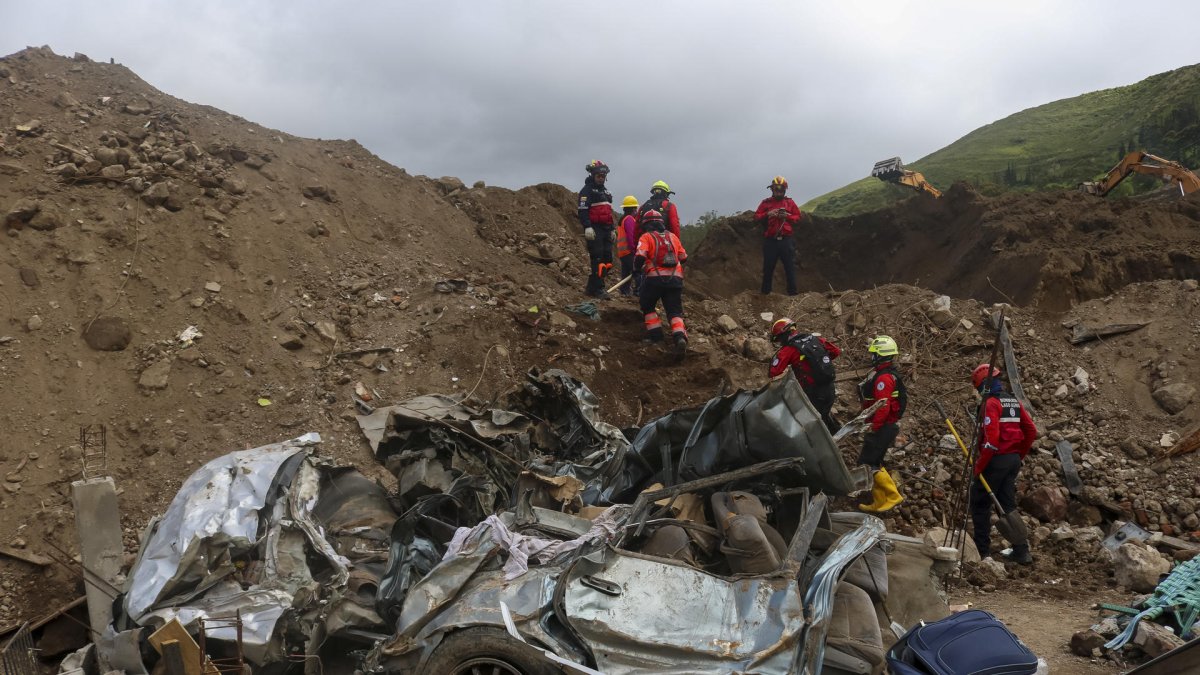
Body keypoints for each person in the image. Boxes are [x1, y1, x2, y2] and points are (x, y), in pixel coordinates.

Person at [970, 363, 1037, 564]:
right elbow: (1030, 430)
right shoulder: (1012, 401)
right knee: (1006, 504)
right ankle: (1022, 550)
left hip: (996, 460)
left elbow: (991, 442)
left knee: (980, 502)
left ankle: (982, 552)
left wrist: (978, 468)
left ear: (983, 385)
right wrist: (1018, 455)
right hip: (1012, 460)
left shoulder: (990, 403)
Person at [857, 335, 906, 512]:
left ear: (880, 355)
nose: (871, 357)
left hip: (883, 426)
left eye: (874, 354)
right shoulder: (885, 374)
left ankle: (893, 495)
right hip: (887, 425)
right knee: (873, 463)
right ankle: (879, 500)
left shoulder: (884, 379)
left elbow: (882, 407)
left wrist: (874, 426)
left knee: (867, 463)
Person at [768, 319, 841, 433]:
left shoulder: (789, 349)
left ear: (783, 336)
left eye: (779, 340)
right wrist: (818, 363)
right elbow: (836, 351)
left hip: (813, 394)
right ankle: (837, 436)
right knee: (823, 415)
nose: (780, 343)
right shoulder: (815, 339)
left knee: (810, 426)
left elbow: (773, 371)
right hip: (830, 388)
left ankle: (825, 446)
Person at [634, 209, 688, 356]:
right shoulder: (673, 237)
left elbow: (640, 256)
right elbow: (683, 258)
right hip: (675, 280)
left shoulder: (646, 237)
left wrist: (636, 270)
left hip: (654, 280)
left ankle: (656, 338)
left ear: (646, 224)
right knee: (674, 311)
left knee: (648, 306)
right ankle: (679, 337)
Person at [754, 176, 802, 295]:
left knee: (789, 268)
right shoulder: (766, 203)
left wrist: (787, 216)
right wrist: (768, 214)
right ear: (772, 189)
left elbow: (798, 216)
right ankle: (765, 294)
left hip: (786, 240)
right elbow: (756, 217)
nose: (779, 191)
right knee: (768, 269)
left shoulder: (789, 202)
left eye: (781, 189)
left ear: (785, 190)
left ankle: (792, 295)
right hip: (771, 241)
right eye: (776, 189)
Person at [578, 160, 615, 299]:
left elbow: (608, 213)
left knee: (608, 259)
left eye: (603, 176)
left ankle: (591, 287)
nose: (601, 178)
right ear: (593, 175)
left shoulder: (605, 191)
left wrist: (612, 229)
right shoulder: (586, 190)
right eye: (599, 175)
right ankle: (598, 288)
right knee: (597, 258)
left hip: (606, 228)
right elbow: (582, 210)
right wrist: (587, 226)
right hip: (595, 229)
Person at [616, 195, 640, 296]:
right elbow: (631, 237)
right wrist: (635, 251)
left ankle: (624, 292)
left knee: (626, 273)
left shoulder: (623, 219)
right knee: (638, 272)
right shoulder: (630, 219)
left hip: (623, 252)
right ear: (633, 209)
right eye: (636, 209)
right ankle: (638, 292)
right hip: (629, 251)